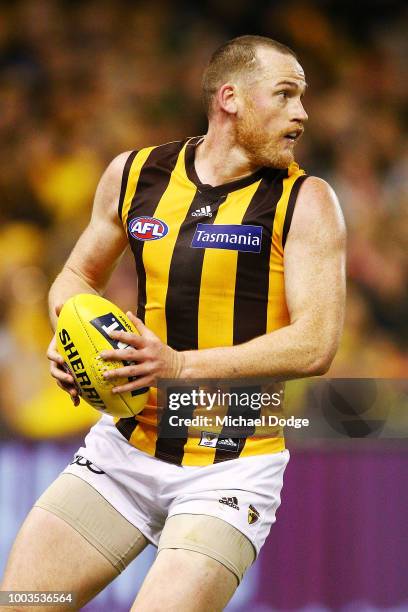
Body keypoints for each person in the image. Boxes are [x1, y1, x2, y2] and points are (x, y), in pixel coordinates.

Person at [1, 35, 346, 611]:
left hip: (230, 470)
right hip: (123, 454)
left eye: (302, 98)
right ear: (230, 98)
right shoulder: (137, 173)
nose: (301, 114)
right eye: (285, 95)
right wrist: (73, 342)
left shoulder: (307, 201)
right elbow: (73, 280)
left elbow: (316, 345)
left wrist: (180, 365)